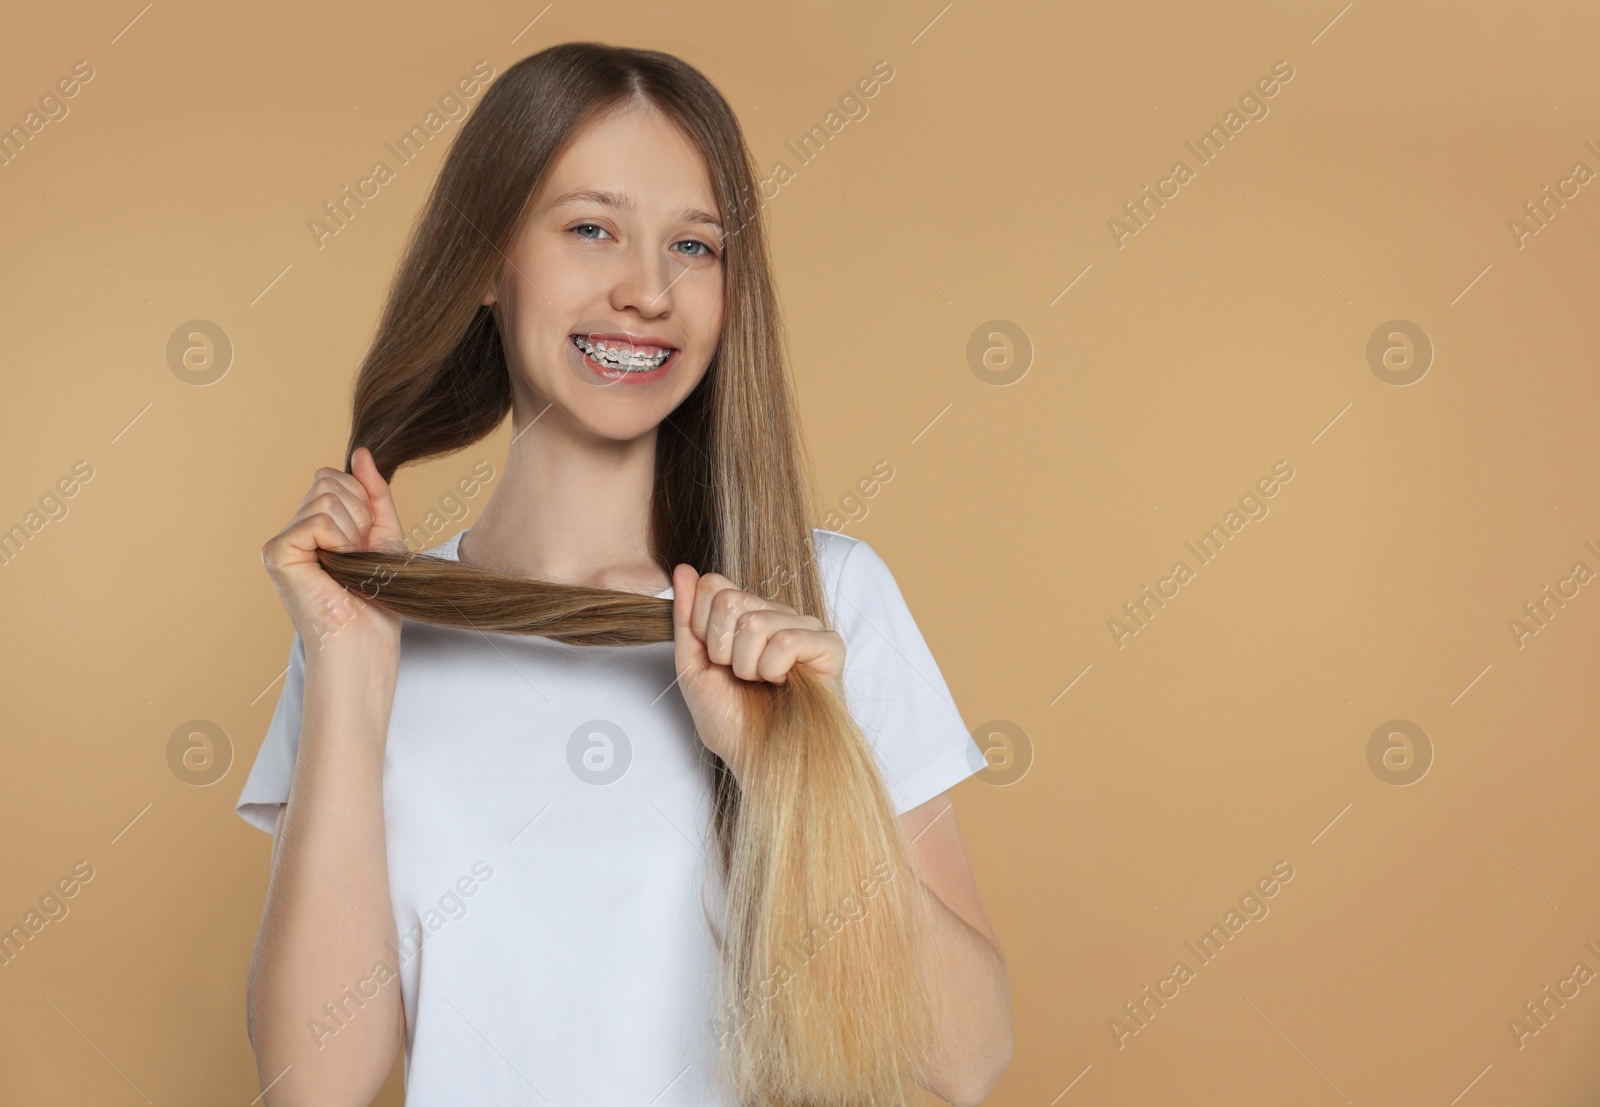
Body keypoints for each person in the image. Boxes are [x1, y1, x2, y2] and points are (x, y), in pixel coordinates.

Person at [238, 41, 1012, 1107]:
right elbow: (313, 1085)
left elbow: (964, 1062)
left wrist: (783, 763)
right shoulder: (363, 625)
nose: (646, 291)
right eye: (591, 228)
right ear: (484, 264)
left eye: (695, 247)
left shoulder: (822, 603)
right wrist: (353, 671)